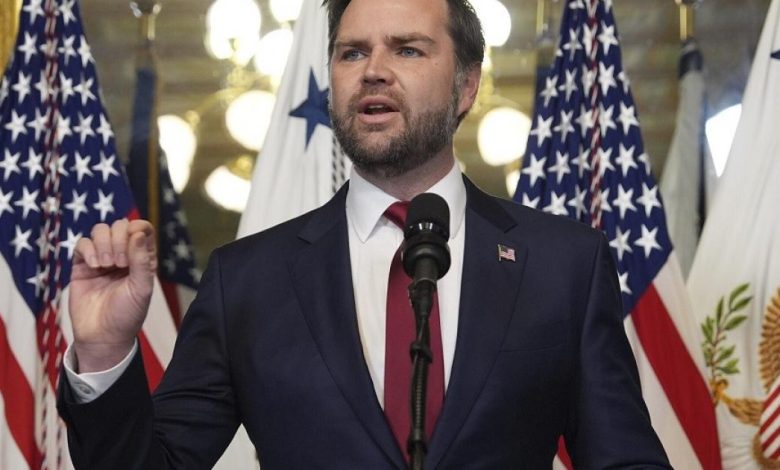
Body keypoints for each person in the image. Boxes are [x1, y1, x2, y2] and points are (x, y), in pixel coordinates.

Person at [58, 0, 672, 468]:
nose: (374, 71)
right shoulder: (247, 281)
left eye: (407, 50)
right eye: (352, 53)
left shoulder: (563, 265)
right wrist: (105, 354)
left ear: (466, 85)